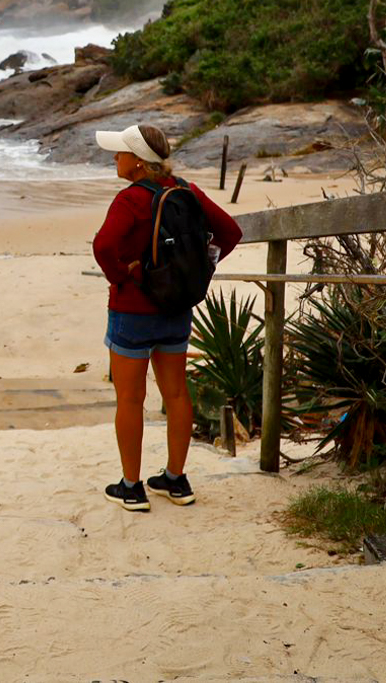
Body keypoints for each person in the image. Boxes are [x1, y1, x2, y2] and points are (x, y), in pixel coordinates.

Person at [91, 123, 241, 511]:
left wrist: (121, 276)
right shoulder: (186, 191)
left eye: (120, 153)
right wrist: (198, 271)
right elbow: (231, 232)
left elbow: (104, 245)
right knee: (176, 393)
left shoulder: (130, 200)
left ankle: (131, 486)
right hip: (176, 308)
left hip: (132, 310)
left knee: (130, 398)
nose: (115, 158)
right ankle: (176, 480)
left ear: (138, 162)